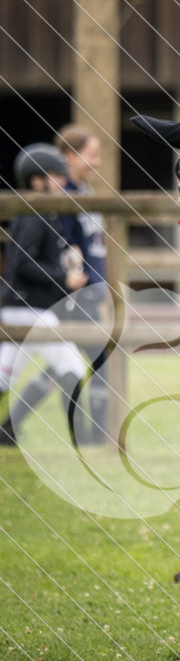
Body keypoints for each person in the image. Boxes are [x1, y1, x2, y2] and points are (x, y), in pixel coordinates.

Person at [0, 143, 88, 446]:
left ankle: (7, 431)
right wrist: (64, 277)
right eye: (56, 176)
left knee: (4, 379)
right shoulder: (35, 213)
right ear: (38, 180)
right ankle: (83, 439)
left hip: (23, 307)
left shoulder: (41, 213)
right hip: (31, 308)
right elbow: (23, 263)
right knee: (73, 368)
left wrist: (66, 260)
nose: (63, 182)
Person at [54, 124, 110, 444]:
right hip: (74, 293)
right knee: (85, 361)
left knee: (69, 364)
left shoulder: (86, 192)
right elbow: (62, 246)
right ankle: (90, 435)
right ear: (69, 156)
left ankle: (8, 427)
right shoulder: (63, 197)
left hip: (92, 289)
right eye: (91, 155)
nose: (97, 162)